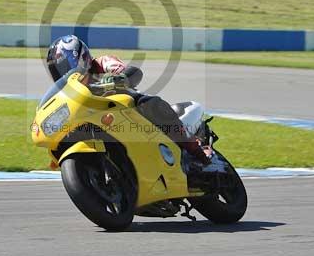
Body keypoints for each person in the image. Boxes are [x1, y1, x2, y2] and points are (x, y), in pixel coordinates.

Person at [45, 34, 211, 164]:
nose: (63, 72)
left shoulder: (102, 63)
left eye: (65, 66)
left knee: (150, 104)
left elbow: (132, 72)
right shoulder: (70, 93)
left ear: (80, 57)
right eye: (58, 69)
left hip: (130, 109)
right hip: (106, 124)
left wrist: (119, 78)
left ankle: (195, 148)